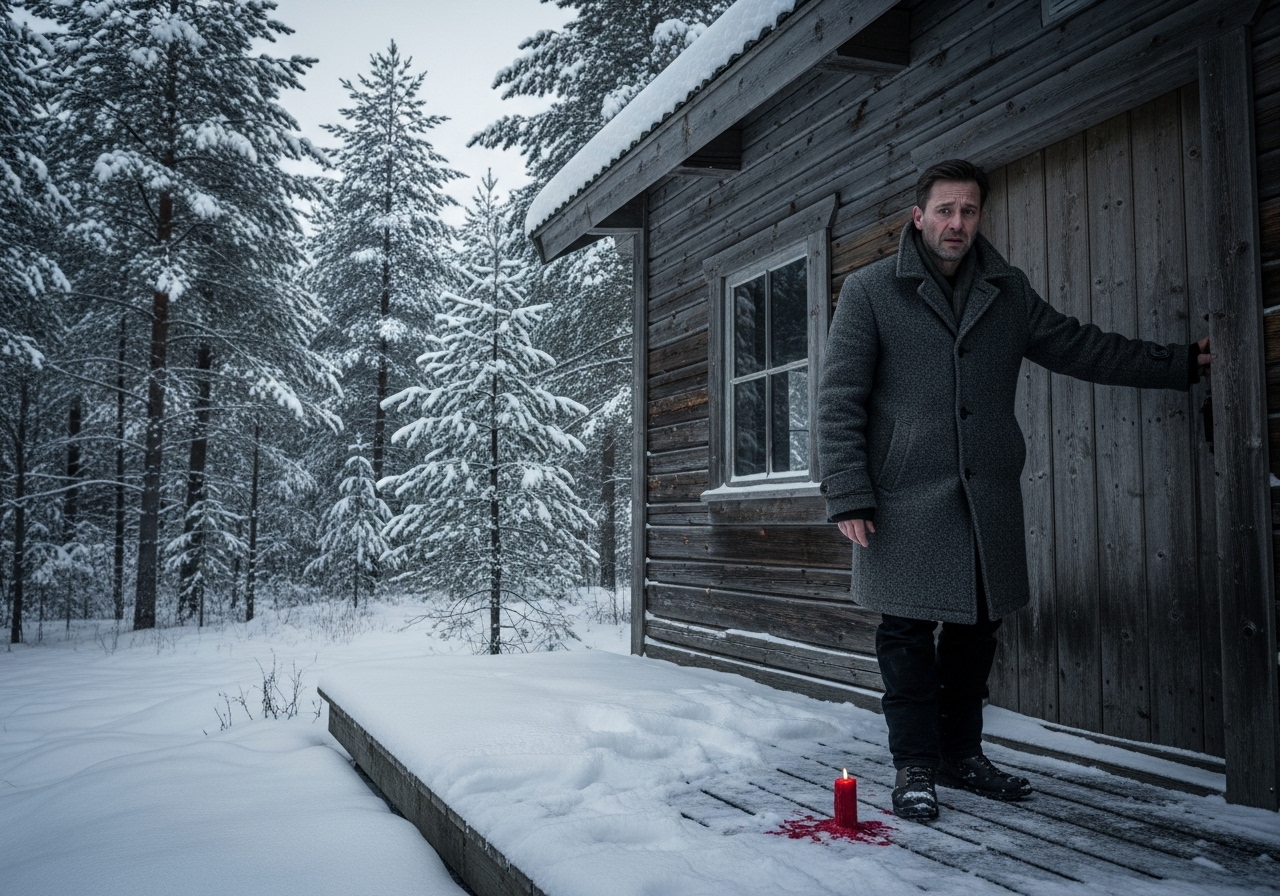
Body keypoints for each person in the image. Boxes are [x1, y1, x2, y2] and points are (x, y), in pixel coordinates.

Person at [816, 159, 1212, 822]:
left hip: (984, 501)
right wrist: (848, 490)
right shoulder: (871, 290)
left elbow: (1081, 347)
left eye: (968, 211)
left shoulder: (1007, 291)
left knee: (975, 635)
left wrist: (1177, 364)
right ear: (919, 217)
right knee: (908, 636)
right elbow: (839, 399)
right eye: (944, 210)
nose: (956, 223)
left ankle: (961, 756)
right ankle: (916, 765)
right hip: (902, 502)